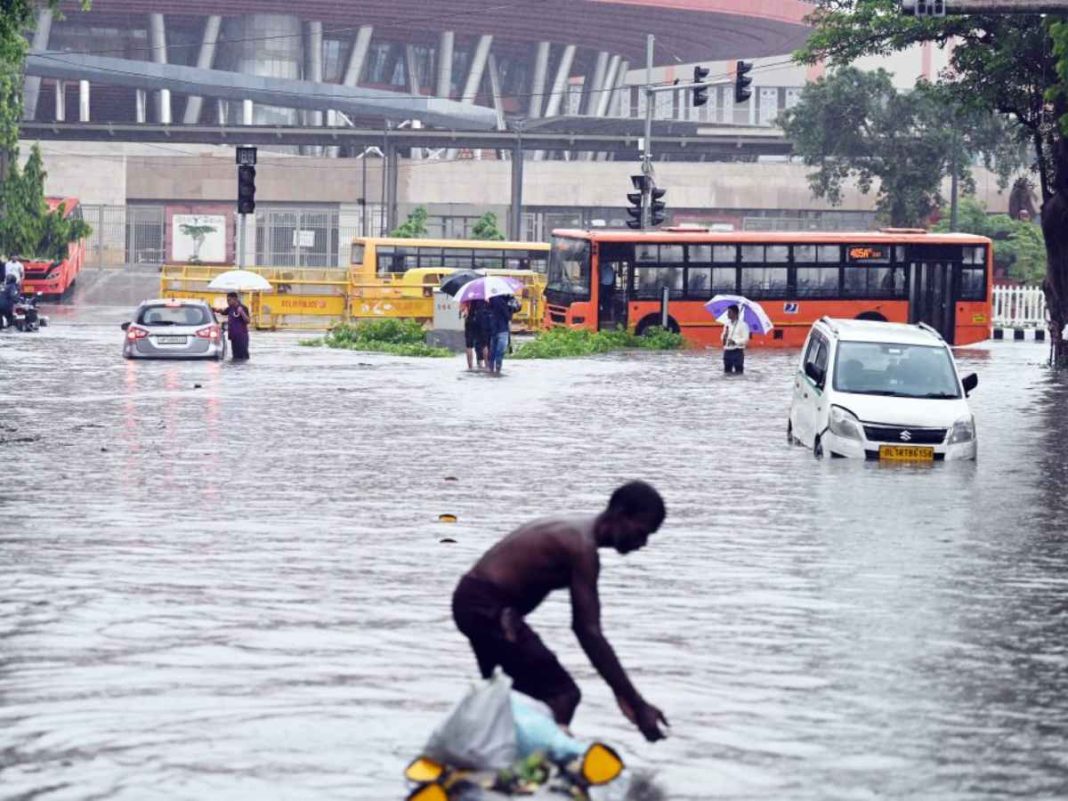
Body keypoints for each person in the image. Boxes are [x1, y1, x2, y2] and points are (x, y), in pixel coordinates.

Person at [452, 481, 670, 743]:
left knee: (508, 692)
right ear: (620, 515)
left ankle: (487, 751)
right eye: (641, 532)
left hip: (478, 602)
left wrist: (512, 614)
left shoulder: (576, 532)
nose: (642, 542)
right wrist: (636, 703)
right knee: (562, 694)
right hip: (486, 607)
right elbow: (587, 631)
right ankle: (536, 766)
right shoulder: (581, 548)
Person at [215, 292, 251, 360]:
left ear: (235, 299)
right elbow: (223, 312)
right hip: (233, 337)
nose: (228, 302)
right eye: (227, 300)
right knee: (235, 357)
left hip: (242, 336)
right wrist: (214, 309)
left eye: (229, 300)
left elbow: (248, 321)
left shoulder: (243, 308)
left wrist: (242, 312)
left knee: (243, 356)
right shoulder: (230, 308)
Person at [487, 293, 515, 374]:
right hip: (502, 329)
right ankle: (497, 370)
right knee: (499, 352)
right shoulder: (503, 301)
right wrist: (510, 309)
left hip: (494, 330)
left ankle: (491, 370)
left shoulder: (492, 299)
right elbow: (508, 316)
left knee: (493, 351)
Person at [461, 299, 490, 370]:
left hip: (470, 320)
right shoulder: (485, 295)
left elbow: (463, 310)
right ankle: (487, 366)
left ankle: (470, 367)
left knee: (469, 345)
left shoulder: (467, 296)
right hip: (481, 320)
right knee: (484, 344)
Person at [722, 304, 750, 374]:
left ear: (735, 313)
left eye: (729, 312)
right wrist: (724, 337)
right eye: (727, 312)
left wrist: (735, 342)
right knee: (727, 372)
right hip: (727, 351)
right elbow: (722, 336)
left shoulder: (743, 325)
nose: (727, 314)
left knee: (739, 372)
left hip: (737, 352)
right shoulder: (726, 324)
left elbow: (746, 339)